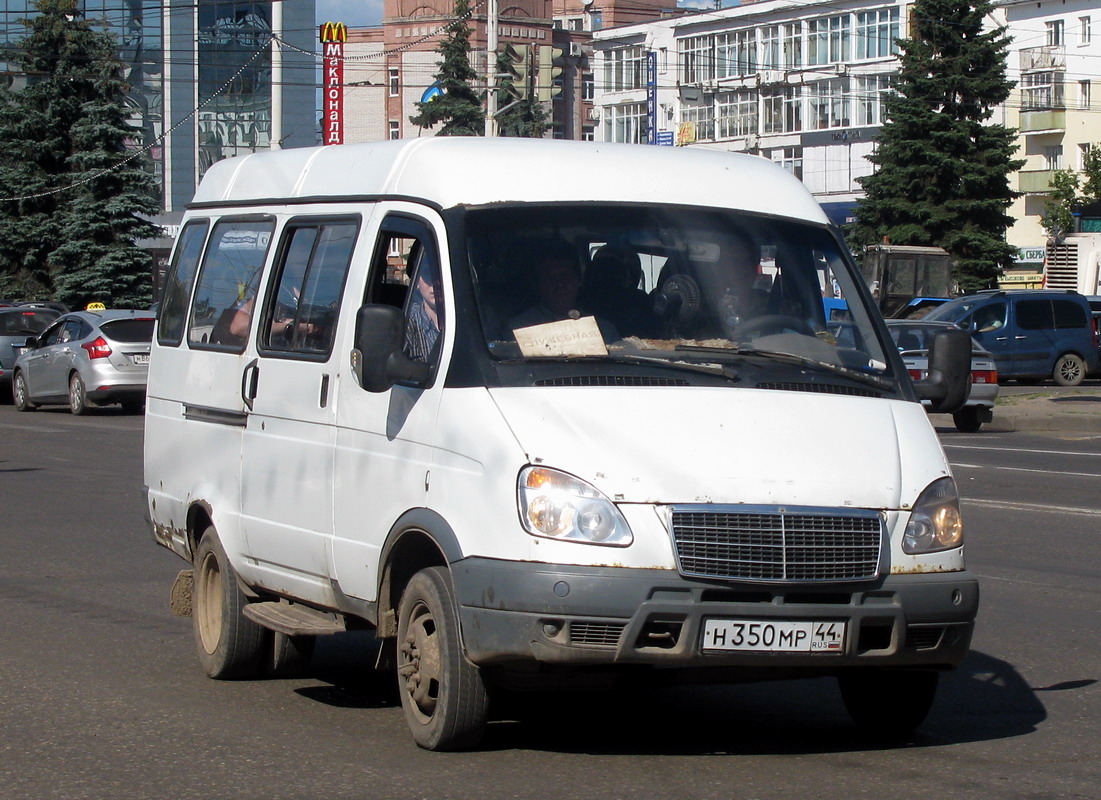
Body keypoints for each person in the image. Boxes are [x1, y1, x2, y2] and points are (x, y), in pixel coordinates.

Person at [404, 249, 442, 362]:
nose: (435, 283)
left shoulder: (471, 321)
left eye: (441, 274)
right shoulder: (406, 324)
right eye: (428, 273)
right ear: (416, 282)